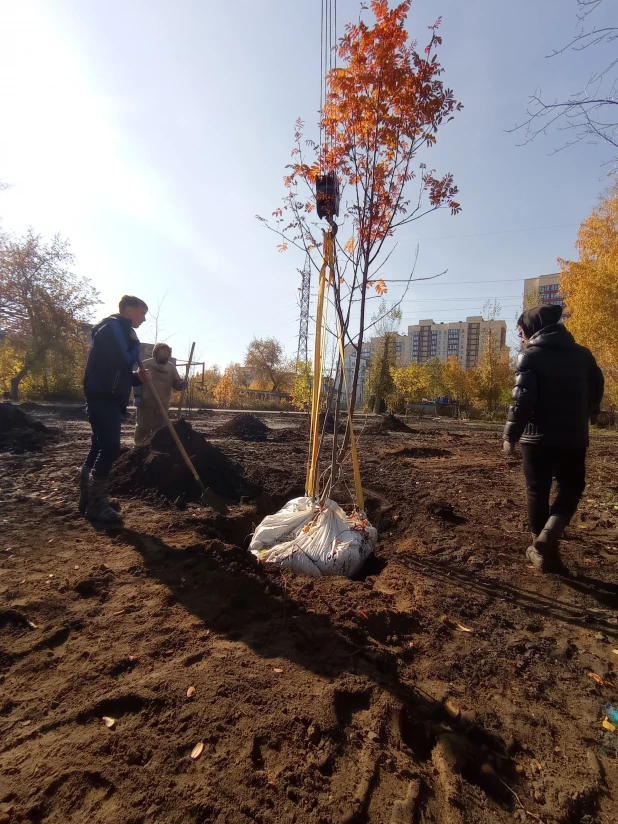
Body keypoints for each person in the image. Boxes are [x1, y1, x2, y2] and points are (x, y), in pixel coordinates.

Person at [503, 304, 604, 572]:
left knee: (538, 490)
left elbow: (522, 401)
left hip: (536, 439)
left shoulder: (530, 356)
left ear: (531, 329)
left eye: (521, 331)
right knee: (571, 486)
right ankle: (551, 532)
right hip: (573, 436)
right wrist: (592, 410)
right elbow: (598, 383)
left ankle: (540, 547)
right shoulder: (583, 355)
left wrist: (510, 436)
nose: (521, 336)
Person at [80, 295, 148, 523]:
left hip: (108, 396)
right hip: (103, 397)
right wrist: (136, 344)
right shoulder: (112, 328)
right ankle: (97, 505)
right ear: (128, 311)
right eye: (142, 313)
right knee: (110, 448)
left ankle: (89, 497)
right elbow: (123, 358)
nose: (144, 319)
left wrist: (136, 379)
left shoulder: (118, 330)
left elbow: (118, 370)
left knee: (100, 444)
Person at [134, 343, 187, 444]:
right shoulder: (146, 364)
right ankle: (138, 449)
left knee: (159, 430)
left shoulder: (171, 367)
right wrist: (137, 396)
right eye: (162, 350)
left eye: (167, 351)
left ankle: (154, 451)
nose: (165, 352)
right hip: (146, 403)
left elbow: (176, 382)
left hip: (162, 405)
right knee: (143, 427)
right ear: (156, 352)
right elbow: (137, 381)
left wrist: (181, 384)